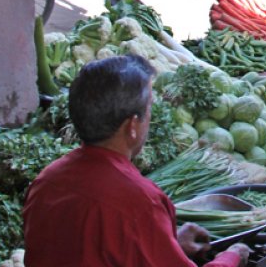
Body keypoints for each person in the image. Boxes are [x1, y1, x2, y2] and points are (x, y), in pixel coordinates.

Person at [23, 55, 249, 267]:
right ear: (132, 127)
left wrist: (169, 243)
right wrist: (231, 257)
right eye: (149, 107)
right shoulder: (138, 203)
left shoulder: (46, 182)